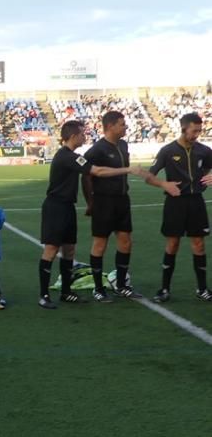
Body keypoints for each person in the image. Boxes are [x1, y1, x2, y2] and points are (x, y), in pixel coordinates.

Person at [37, 120, 144, 309]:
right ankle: (44, 295)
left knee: (69, 249)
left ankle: (66, 292)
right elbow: (97, 171)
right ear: (73, 136)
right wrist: (128, 169)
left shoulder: (73, 156)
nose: (84, 136)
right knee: (52, 249)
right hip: (55, 207)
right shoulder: (65, 156)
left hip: (68, 206)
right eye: (82, 133)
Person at [144, 112, 212, 302]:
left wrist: (208, 176)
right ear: (183, 129)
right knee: (173, 244)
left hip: (196, 201)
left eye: (199, 130)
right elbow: (150, 176)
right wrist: (164, 185)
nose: (197, 134)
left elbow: (208, 167)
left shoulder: (204, 150)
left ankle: (202, 289)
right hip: (175, 203)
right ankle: (164, 289)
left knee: (199, 244)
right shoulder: (167, 151)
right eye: (194, 130)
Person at [82, 111, 140, 302]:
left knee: (126, 241)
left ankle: (122, 285)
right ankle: (98, 289)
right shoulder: (97, 149)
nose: (125, 127)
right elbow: (86, 175)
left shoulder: (123, 144)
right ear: (110, 126)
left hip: (122, 200)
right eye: (122, 124)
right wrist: (90, 202)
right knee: (100, 244)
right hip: (103, 202)